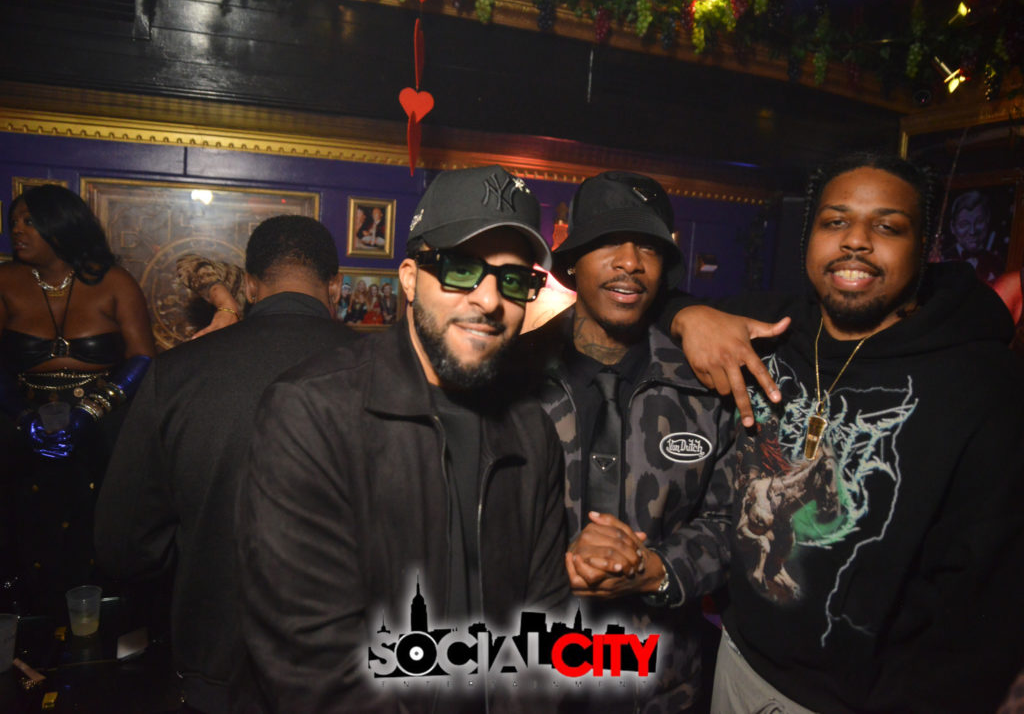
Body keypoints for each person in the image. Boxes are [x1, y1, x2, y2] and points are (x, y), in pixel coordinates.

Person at [668, 153, 1024, 712]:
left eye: (888, 226)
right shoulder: (771, 325)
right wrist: (689, 318)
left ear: (924, 245)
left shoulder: (987, 385)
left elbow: (989, 605)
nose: (856, 240)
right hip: (736, 663)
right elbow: (654, 301)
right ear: (809, 237)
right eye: (835, 221)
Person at [236, 165, 569, 712]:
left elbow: (545, 628)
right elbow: (313, 661)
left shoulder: (531, 430)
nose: (490, 300)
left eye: (513, 280)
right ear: (410, 279)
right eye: (462, 269)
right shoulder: (311, 411)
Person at [94, 215, 355, 713]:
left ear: (251, 287)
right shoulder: (397, 371)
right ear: (336, 287)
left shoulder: (176, 373)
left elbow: (123, 547)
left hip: (220, 667)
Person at [516, 171, 736, 712]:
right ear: (572, 261)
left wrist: (653, 570)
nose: (630, 262)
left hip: (661, 684)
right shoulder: (511, 376)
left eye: (649, 248)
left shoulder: (708, 384)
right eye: (609, 241)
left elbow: (733, 523)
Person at [0, 184, 154, 615]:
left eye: (30, 221)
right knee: (28, 525)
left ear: (61, 224)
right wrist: (24, 417)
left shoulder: (114, 281)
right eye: (14, 222)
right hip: (23, 416)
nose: (17, 230)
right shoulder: (5, 281)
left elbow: (143, 357)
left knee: (98, 522)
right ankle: (32, 619)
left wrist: (89, 412)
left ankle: (105, 620)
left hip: (104, 419)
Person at [942, 189, 1002, 284]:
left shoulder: (997, 263)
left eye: (979, 222)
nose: (972, 231)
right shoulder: (942, 260)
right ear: (953, 227)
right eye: (964, 224)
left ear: (987, 220)